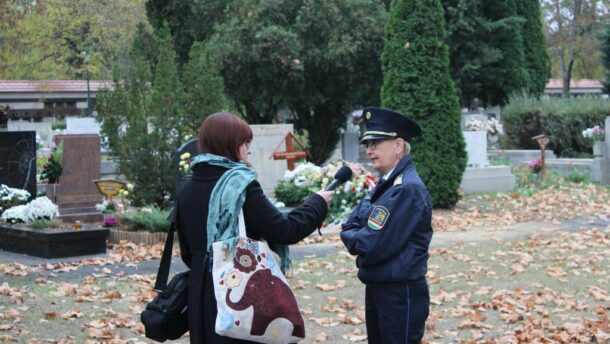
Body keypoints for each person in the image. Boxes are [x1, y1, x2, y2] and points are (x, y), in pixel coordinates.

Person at [174, 112, 333, 343]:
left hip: (200, 295)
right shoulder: (240, 186)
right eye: (245, 143)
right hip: (238, 289)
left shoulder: (187, 188)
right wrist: (317, 203)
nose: (248, 150)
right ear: (229, 144)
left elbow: (188, 251)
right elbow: (285, 230)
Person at [340, 107, 433, 344]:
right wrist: (356, 234)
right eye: (367, 144)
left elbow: (371, 244)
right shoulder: (386, 184)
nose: (369, 150)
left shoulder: (406, 189)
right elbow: (351, 225)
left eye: (376, 143)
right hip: (381, 286)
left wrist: (354, 238)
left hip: (399, 293)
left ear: (398, 146)